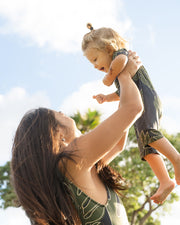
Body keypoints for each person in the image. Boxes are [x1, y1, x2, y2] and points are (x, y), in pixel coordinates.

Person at [11, 53, 143, 225]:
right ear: (56, 133)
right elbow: (133, 107)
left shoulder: (82, 167)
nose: (63, 113)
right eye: (58, 114)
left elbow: (118, 144)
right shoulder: (73, 160)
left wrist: (121, 80)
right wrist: (125, 76)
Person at [82, 23, 180, 204]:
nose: (95, 66)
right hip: (140, 102)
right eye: (91, 63)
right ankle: (165, 180)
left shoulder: (121, 55)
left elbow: (121, 62)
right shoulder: (122, 74)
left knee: (149, 133)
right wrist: (107, 97)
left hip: (146, 99)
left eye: (95, 59)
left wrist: (109, 78)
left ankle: (176, 159)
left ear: (109, 48)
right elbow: (122, 93)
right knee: (145, 145)